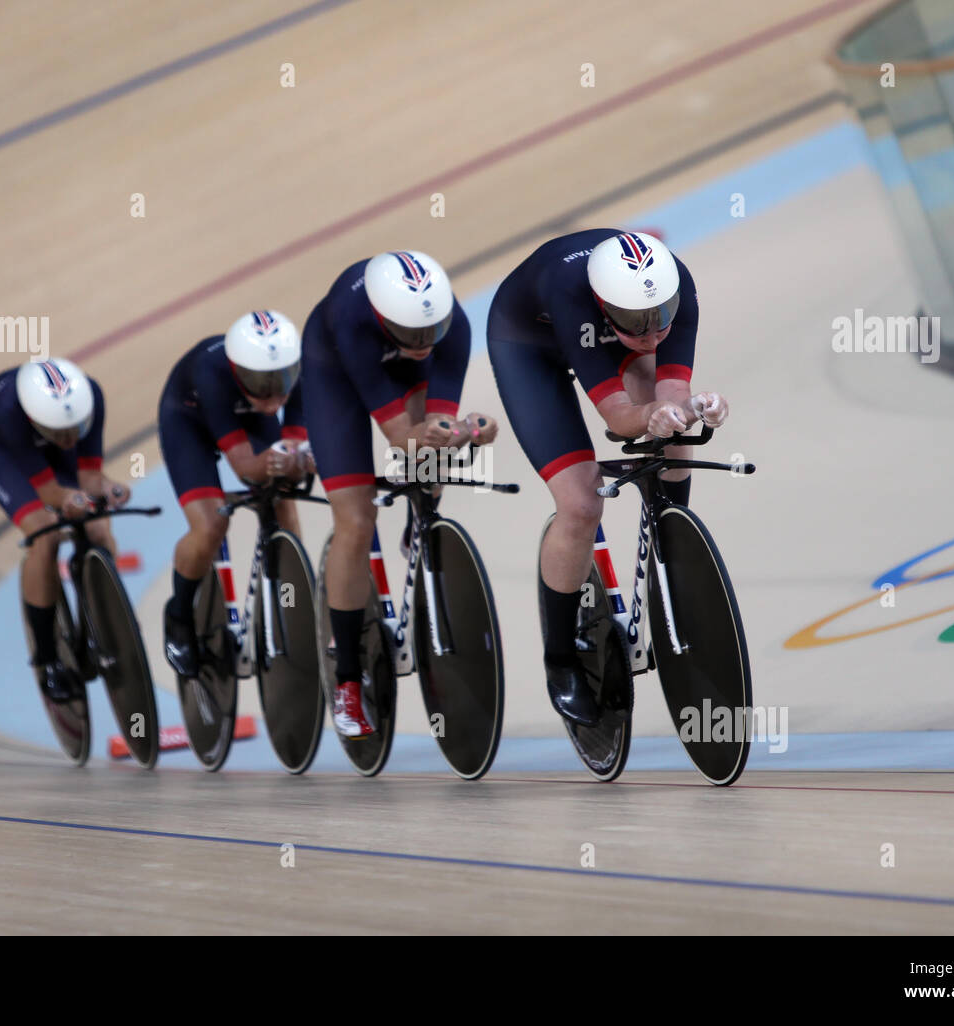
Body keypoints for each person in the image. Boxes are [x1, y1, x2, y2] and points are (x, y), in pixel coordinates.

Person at [486, 229, 729, 727]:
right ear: (603, 302)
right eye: (637, 324)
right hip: (528, 346)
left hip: (600, 329)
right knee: (580, 504)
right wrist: (650, 417)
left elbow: (672, 389)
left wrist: (695, 407)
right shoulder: (570, 292)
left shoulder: (673, 286)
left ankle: (671, 533)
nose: (652, 333)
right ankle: (560, 658)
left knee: (674, 426)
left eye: (661, 317)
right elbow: (619, 418)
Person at [302, 250, 498, 738]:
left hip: (397, 366)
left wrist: (470, 429)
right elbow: (399, 438)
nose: (423, 343)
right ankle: (348, 678)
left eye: (430, 333)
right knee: (356, 520)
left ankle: (420, 525)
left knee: (434, 442)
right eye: (412, 335)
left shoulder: (450, 325)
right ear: (385, 318)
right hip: (336, 376)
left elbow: (437, 425)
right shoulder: (351, 320)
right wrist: (437, 435)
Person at [158, 310, 312, 677]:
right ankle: (178, 615)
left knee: (283, 497)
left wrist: (299, 458)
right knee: (211, 526)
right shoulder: (210, 373)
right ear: (238, 370)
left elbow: (296, 446)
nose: (274, 397)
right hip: (188, 423)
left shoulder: (296, 372)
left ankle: (294, 602)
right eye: (262, 384)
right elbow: (246, 467)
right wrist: (285, 459)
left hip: (247, 416)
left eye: (282, 382)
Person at [0, 358, 130, 702]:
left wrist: (108, 490)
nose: (72, 440)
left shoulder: (91, 397)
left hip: (46, 441)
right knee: (46, 534)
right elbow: (48, 492)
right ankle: (46, 657)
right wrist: (68, 498)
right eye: (63, 433)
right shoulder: (7, 410)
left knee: (98, 530)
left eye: (77, 429)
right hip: (2, 451)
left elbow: (90, 477)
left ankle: (107, 617)